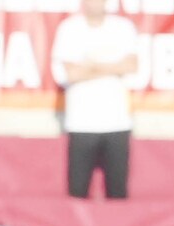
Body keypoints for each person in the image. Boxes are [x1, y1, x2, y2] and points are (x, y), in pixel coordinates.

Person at [52, 0, 137, 199]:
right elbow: (71, 74)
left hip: (117, 122)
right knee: (77, 192)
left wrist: (90, 66)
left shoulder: (123, 28)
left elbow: (131, 66)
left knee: (117, 194)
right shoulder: (69, 29)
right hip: (81, 123)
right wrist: (112, 67)